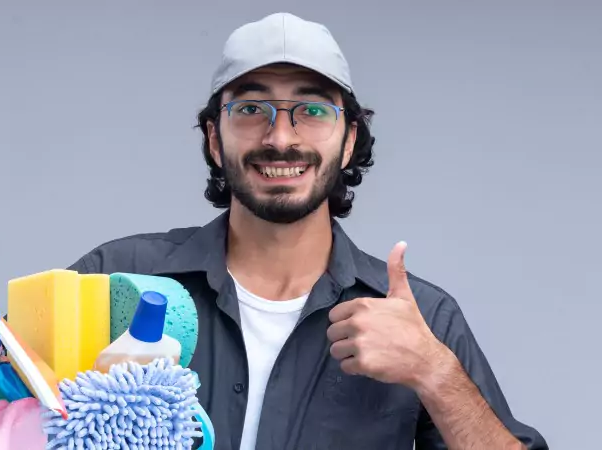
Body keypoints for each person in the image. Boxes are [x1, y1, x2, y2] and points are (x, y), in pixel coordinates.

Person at [66, 11, 548, 450]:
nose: (280, 138)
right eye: (251, 109)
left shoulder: (423, 320)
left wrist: (436, 373)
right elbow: (5, 417)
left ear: (348, 140)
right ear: (215, 138)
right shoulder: (112, 280)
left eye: (313, 111)